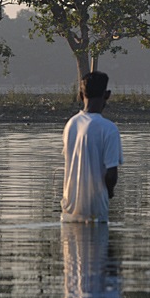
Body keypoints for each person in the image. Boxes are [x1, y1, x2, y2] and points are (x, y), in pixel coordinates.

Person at [61, 71, 124, 222]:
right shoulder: (109, 129)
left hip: (69, 212)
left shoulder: (71, 124)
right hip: (96, 212)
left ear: (80, 95)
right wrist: (109, 192)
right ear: (107, 94)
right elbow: (111, 174)